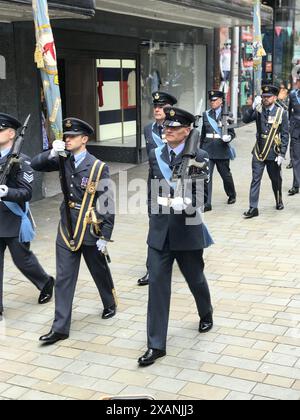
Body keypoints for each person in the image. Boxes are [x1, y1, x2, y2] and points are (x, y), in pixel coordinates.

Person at [138, 106, 214, 367]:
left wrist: (187, 203)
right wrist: (154, 214)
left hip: (187, 231)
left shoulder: (199, 156)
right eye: (166, 127)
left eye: (173, 128)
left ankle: (206, 312)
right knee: (157, 288)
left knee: (195, 279)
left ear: (187, 130)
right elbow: (151, 189)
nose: (167, 131)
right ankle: (155, 345)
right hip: (160, 232)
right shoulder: (155, 154)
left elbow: (204, 197)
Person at [31, 118, 117, 345]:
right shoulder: (62, 158)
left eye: (72, 137)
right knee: (64, 278)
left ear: (84, 139)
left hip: (88, 225)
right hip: (67, 224)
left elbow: (107, 203)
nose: (67, 140)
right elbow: (35, 164)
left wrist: (105, 235)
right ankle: (60, 328)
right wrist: (51, 153)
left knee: (98, 269)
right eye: (66, 136)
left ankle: (109, 302)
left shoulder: (98, 166)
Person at [0, 112, 54, 317]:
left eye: (1, 130)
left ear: (12, 133)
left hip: (13, 219)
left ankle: (46, 282)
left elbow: (27, 193)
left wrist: (6, 192)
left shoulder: (22, 161)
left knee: (22, 260)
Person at [138, 91, 177, 287]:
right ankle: (151, 268)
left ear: (170, 108)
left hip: (176, 183)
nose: (157, 109)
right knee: (155, 223)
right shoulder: (147, 129)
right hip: (155, 183)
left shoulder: (177, 127)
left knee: (181, 221)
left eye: (161, 106)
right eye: (155, 106)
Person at [243, 85, 289, 219]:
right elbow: (245, 120)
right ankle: (253, 207)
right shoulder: (258, 110)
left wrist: (282, 154)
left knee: (275, 179)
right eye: (264, 97)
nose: (265, 99)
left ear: (274, 98)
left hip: (273, 151)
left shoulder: (281, 113)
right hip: (259, 151)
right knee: (255, 179)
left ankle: (278, 199)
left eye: (268, 97)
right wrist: (252, 107)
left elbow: (285, 135)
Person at [200, 90, 237, 212]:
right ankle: (207, 203)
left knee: (226, 176)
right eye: (211, 100)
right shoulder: (206, 114)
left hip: (222, 149)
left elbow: (232, 133)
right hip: (208, 150)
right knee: (206, 177)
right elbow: (203, 133)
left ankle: (231, 194)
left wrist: (229, 137)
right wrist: (200, 150)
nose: (212, 102)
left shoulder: (228, 114)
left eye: (215, 100)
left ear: (221, 101)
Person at [287, 76, 300, 196]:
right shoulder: (293, 95)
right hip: (296, 130)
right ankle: (296, 185)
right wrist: (290, 126)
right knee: (296, 159)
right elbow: (289, 111)